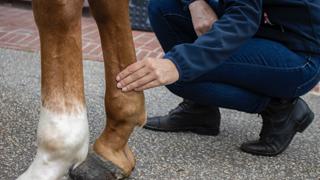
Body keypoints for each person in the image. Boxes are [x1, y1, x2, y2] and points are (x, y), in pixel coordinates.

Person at [116, 0, 320, 156]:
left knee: (181, 76)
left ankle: (281, 108)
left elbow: (243, 17)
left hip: (300, 53)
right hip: (262, 25)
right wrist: (194, 2)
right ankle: (200, 111)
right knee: (164, 6)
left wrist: (177, 63)